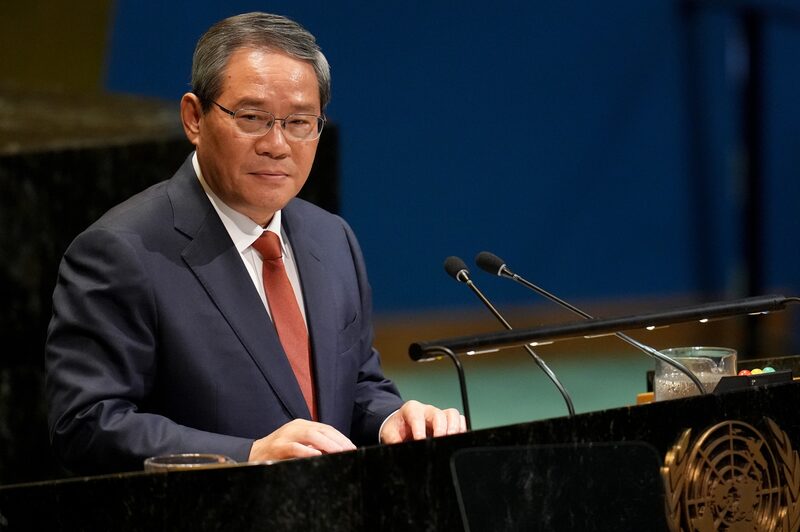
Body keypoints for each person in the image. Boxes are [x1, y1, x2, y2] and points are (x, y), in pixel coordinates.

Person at [45, 12, 465, 475]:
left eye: (300, 122)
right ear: (194, 118)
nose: (277, 144)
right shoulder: (120, 251)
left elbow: (357, 385)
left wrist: (391, 420)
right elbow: (86, 423)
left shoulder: (333, 238)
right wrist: (248, 455)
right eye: (252, 118)